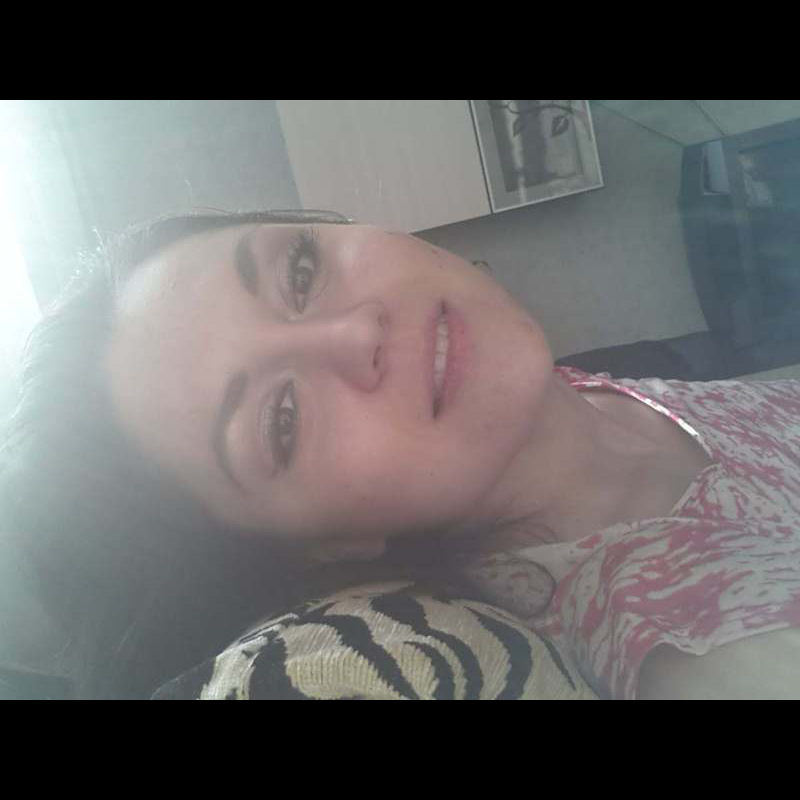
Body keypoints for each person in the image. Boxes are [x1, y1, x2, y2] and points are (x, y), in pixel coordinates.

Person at [3, 209, 800, 700]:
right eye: (283, 420)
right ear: (324, 548)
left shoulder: (560, 404)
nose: (357, 332)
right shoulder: (707, 656)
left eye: (301, 270)